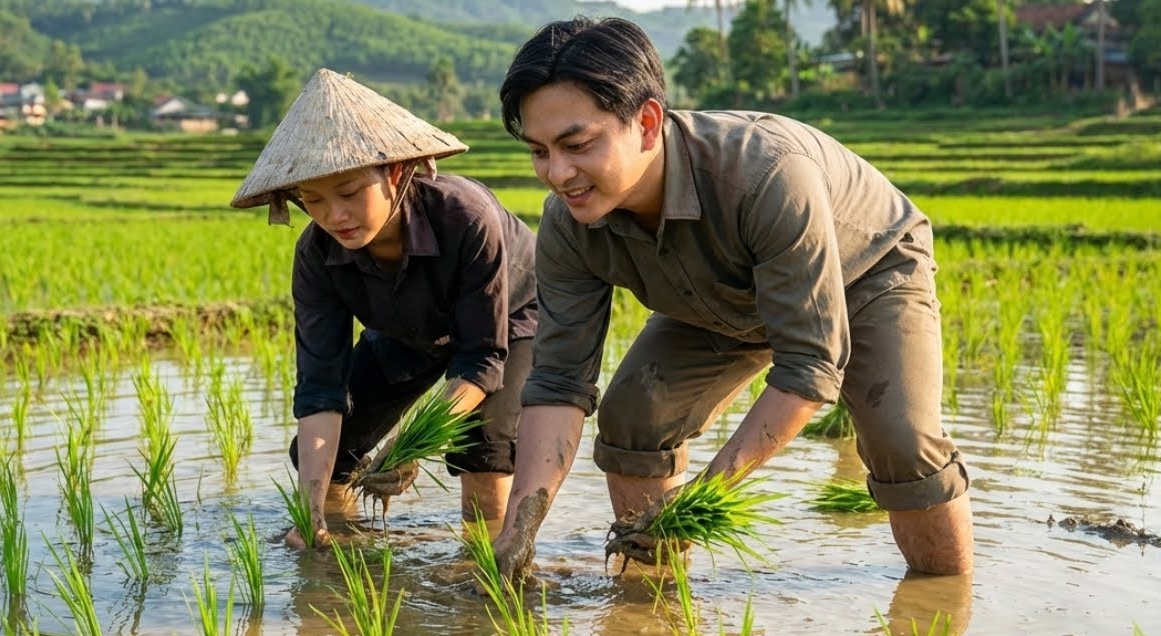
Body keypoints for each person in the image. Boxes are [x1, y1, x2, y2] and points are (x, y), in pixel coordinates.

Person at [489, 17, 974, 580]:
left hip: (864, 273)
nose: (558, 173)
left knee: (902, 441)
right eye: (539, 152)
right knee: (634, 418)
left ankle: (947, 617)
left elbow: (809, 365)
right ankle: (655, 607)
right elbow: (557, 384)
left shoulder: (767, 175)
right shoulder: (570, 225)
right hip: (719, 297)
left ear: (646, 123)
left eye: (576, 145)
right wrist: (521, 529)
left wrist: (702, 496)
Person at [230, 69, 537, 549]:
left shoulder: (467, 218)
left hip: (511, 322)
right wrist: (308, 515)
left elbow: (481, 360)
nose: (334, 216)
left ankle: (484, 564)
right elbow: (320, 388)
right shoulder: (317, 255)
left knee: (484, 449)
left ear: (395, 173)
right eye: (313, 201)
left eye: (349, 193)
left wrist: (414, 440)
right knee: (329, 457)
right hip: (406, 333)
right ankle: (344, 544)